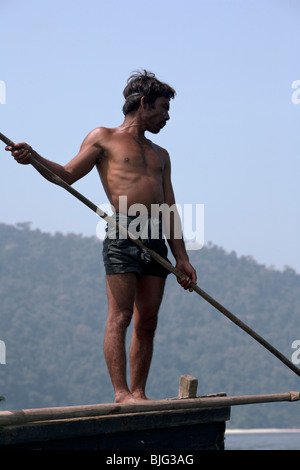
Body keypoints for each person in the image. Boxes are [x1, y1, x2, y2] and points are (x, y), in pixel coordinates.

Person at [6, 70, 197, 403]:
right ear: (143, 103)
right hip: (123, 232)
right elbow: (65, 175)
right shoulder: (103, 137)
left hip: (156, 236)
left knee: (148, 320)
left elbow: (170, 207)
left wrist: (182, 256)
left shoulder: (161, 154)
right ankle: (121, 393)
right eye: (164, 108)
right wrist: (33, 157)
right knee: (121, 316)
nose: (168, 117)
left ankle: (139, 392)